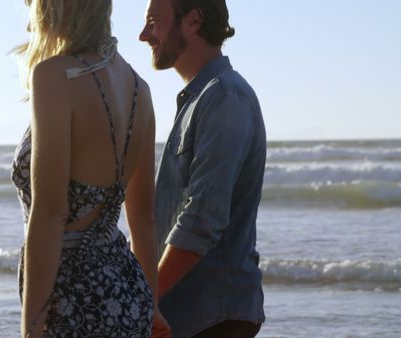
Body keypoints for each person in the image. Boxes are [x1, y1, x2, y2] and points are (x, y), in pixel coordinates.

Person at [11, 0, 169, 337]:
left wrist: (31, 329)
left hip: (72, 299)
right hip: (127, 293)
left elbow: (51, 214)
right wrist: (152, 306)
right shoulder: (141, 90)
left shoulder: (55, 75)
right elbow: (143, 218)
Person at [139, 0, 266, 337]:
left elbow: (202, 218)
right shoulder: (198, 99)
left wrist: (146, 297)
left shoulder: (224, 97)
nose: (143, 35)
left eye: (153, 22)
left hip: (214, 319)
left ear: (193, 21)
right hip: (190, 315)